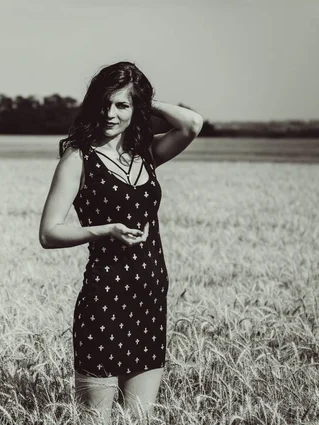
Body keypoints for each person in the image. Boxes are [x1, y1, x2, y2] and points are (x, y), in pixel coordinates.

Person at [38, 61, 203, 424]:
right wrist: (104, 230)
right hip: (104, 299)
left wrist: (144, 100)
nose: (110, 113)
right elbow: (49, 233)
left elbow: (192, 124)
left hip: (149, 298)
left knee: (140, 419)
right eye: (104, 103)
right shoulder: (78, 158)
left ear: (135, 108)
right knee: (96, 420)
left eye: (121, 105)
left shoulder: (147, 153)